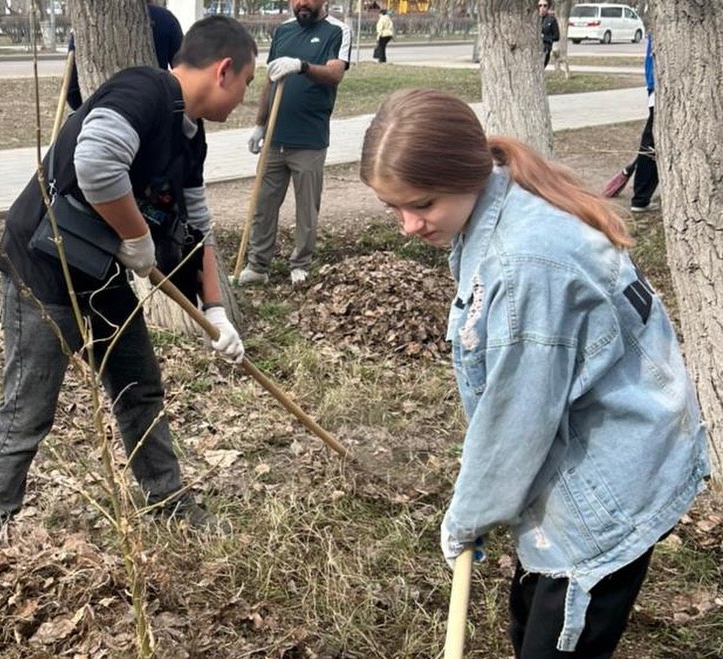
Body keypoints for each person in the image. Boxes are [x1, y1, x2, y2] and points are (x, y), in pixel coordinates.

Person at [360, 89, 709, 657]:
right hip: (593, 451)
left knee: (560, 636)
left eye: (420, 204)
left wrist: (467, 516)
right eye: (392, 208)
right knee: (533, 618)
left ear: (464, 173)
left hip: (609, 483)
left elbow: (517, 419)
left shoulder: (525, 264)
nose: (406, 225)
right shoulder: (504, 201)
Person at [0, 16, 258, 548]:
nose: (245, 98)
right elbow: (97, 162)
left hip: (99, 272)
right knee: (28, 409)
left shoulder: (189, 137)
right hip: (43, 268)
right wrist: (136, 235)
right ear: (224, 71)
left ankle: (168, 502)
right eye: (246, 83)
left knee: (138, 386)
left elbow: (199, 231)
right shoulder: (143, 89)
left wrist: (215, 310)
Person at [238, 0, 352, 287]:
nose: (301, 3)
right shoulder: (283, 31)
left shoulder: (337, 31)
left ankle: (300, 263)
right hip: (275, 136)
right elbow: (270, 80)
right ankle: (257, 265)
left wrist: (301, 66)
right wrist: (260, 124)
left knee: (306, 208)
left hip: (309, 140)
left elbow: (335, 74)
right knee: (263, 204)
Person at [66, 0, 183, 110]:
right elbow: (184, 72)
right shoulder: (165, 19)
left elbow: (71, 91)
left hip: (98, 113)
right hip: (153, 109)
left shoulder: (87, 26)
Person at [630, 33, 658, 212]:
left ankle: (641, 197)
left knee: (652, 141)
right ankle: (640, 198)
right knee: (651, 143)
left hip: (655, 89)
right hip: (659, 90)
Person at [539, 0, 559, 68]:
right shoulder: (533, 19)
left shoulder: (551, 20)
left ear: (548, 7)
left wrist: (544, 37)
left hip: (545, 48)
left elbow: (556, 36)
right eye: (540, 5)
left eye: (545, 6)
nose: (542, 8)